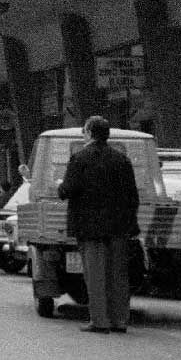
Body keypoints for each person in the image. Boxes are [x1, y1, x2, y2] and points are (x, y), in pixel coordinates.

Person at [57, 116, 140, 334]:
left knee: (95, 274)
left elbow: (68, 189)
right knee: (118, 275)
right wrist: (130, 224)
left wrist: (60, 187)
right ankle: (120, 320)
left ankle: (100, 321)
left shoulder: (80, 158)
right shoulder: (121, 160)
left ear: (89, 133)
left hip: (90, 227)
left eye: (84, 130)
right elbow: (132, 196)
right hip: (119, 227)